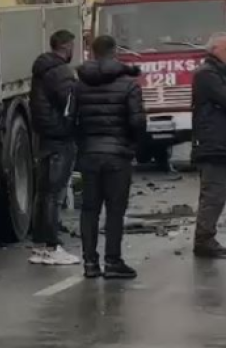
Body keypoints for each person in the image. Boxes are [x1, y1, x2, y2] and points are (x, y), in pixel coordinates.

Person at [73, 34, 146, 279]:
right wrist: (132, 145)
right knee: (115, 210)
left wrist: (82, 144)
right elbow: (137, 122)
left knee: (89, 209)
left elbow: (70, 119)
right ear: (114, 52)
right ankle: (113, 262)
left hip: (90, 155)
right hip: (118, 155)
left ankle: (90, 263)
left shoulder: (79, 83)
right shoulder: (129, 84)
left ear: (92, 53)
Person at [28, 29, 80, 266]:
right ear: (67, 47)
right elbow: (70, 107)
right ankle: (52, 245)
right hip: (60, 139)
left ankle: (40, 244)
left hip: (45, 137)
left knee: (44, 192)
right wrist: (75, 129)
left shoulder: (42, 69)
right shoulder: (61, 73)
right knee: (54, 194)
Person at [191, 33, 226, 257]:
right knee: (214, 194)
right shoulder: (208, 75)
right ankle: (204, 239)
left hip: (217, 140)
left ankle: (205, 236)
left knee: (214, 193)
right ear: (214, 50)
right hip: (211, 141)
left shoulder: (218, 73)